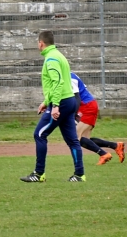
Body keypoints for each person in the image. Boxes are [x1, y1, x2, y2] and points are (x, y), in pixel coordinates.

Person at [20, 30, 86, 183]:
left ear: (41, 43)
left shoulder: (51, 59)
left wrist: (55, 105)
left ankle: (38, 174)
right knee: (72, 140)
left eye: (37, 43)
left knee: (40, 135)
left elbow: (57, 82)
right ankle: (79, 175)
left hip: (61, 102)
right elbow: (59, 82)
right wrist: (46, 102)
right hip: (69, 100)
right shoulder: (59, 55)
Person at [71, 72, 125, 164]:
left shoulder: (69, 77)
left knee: (75, 136)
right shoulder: (67, 76)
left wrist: (74, 114)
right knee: (84, 139)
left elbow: (77, 97)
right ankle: (116, 146)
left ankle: (103, 154)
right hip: (87, 105)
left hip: (87, 106)